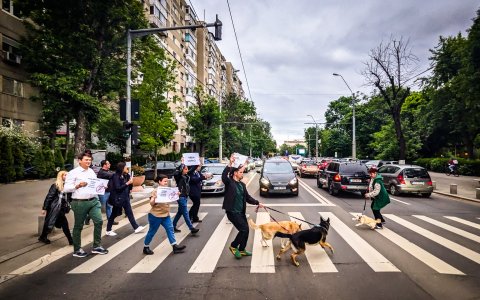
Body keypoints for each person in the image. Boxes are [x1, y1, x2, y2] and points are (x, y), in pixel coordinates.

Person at [64, 151, 108, 257]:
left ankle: (96, 246)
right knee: (78, 226)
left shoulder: (91, 171)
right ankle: (77, 249)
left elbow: (95, 185)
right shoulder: (73, 173)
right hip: (79, 202)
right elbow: (65, 188)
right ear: (80, 161)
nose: (88, 161)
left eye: (89, 160)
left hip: (93, 201)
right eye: (86, 160)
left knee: (99, 221)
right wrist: (77, 186)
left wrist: (102, 187)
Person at [222, 154, 264, 259]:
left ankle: (242, 250)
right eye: (240, 172)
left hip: (241, 212)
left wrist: (257, 202)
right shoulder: (229, 183)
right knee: (244, 229)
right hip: (232, 212)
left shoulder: (242, 185)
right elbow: (224, 176)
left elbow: (248, 197)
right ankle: (233, 246)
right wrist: (230, 163)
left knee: (246, 230)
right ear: (235, 173)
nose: (242, 174)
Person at [143, 174, 187, 255]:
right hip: (155, 216)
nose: (166, 182)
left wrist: (176, 195)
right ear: (159, 182)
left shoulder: (168, 190)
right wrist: (154, 199)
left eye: (167, 181)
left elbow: (171, 198)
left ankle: (174, 246)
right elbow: (151, 203)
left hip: (165, 215)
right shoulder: (156, 191)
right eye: (164, 181)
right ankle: (146, 247)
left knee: (170, 229)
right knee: (152, 232)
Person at [105, 162, 145, 236]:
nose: (127, 168)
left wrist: (130, 182)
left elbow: (129, 187)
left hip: (125, 197)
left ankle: (135, 227)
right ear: (121, 168)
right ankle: (108, 229)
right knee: (117, 214)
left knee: (125, 213)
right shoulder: (115, 176)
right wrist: (127, 183)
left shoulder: (126, 175)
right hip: (118, 198)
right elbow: (118, 188)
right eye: (125, 167)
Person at [39, 170, 73, 245]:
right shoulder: (55, 185)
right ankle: (71, 240)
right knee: (63, 224)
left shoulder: (68, 186)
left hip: (61, 208)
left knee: (50, 222)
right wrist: (44, 208)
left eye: (68, 175)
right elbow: (49, 197)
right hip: (54, 208)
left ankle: (43, 236)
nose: (67, 177)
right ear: (61, 176)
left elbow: (69, 198)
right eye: (65, 175)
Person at [172, 164, 200, 235]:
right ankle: (191, 228)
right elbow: (176, 173)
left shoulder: (186, 175)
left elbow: (192, 170)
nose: (187, 170)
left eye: (187, 169)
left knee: (180, 212)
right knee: (185, 213)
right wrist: (182, 164)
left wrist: (196, 164)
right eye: (185, 169)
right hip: (181, 196)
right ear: (181, 170)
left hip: (185, 196)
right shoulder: (178, 176)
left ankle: (173, 226)